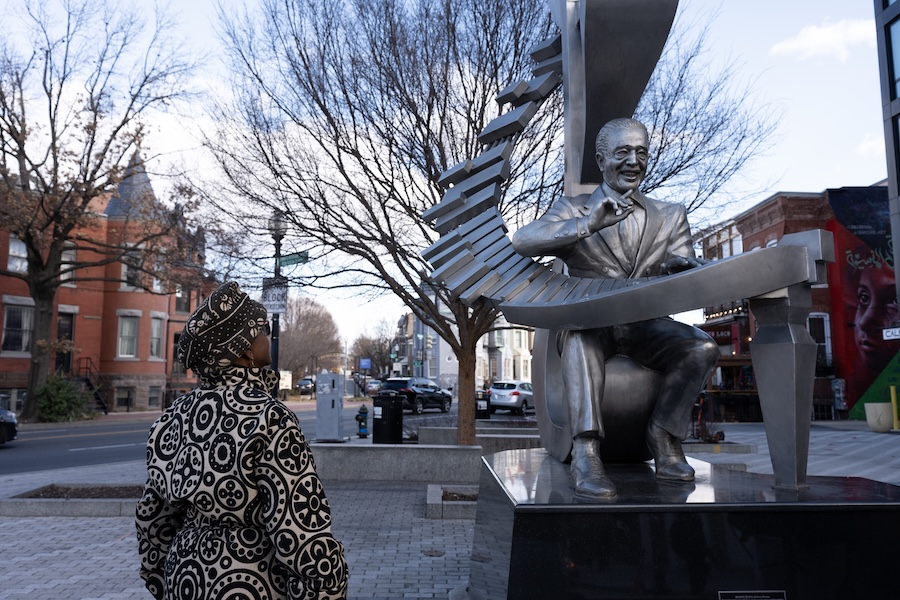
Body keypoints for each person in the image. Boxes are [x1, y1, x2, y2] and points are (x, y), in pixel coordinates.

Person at [512, 118, 719, 500]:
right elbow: (523, 240)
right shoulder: (574, 209)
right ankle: (587, 452)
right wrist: (587, 223)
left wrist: (678, 268)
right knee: (578, 335)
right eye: (623, 152)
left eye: (641, 152)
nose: (633, 161)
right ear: (601, 158)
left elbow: (684, 271)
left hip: (646, 325)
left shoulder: (671, 215)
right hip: (594, 324)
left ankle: (663, 438)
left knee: (702, 347)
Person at [135, 281, 348, 599]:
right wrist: (328, 590)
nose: (269, 336)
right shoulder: (268, 417)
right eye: (263, 329)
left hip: (183, 576)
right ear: (245, 349)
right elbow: (299, 528)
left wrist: (164, 577)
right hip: (250, 580)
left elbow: (152, 517)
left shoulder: (172, 418)